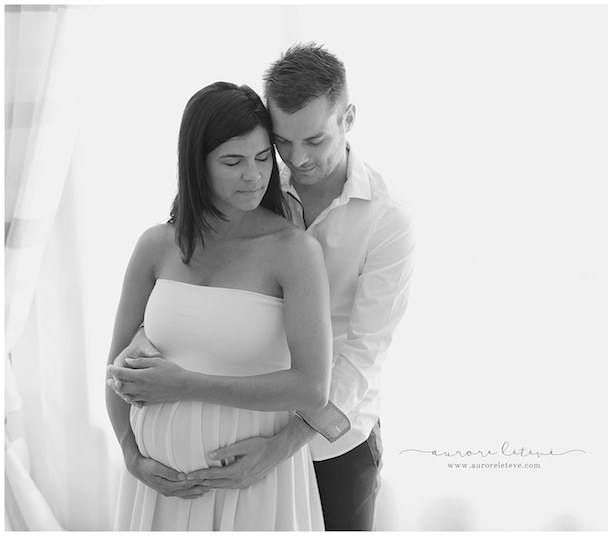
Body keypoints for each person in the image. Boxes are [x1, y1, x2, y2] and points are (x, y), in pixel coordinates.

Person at [111, 43, 415, 531]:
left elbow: (363, 354)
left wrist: (281, 447)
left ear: (348, 117)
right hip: (229, 446)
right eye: (283, 143)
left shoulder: (386, 220)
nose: (297, 159)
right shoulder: (255, 190)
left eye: (314, 140)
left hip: (335, 439)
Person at [105, 81, 332, 531]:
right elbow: (115, 370)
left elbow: (311, 389)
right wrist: (132, 457)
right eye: (233, 161)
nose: (254, 176)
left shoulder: (293, 252)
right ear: (197, 164)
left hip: (254, 487)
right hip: (158, 488)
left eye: (264, 158)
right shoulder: (156, 245)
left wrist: (185, 385)